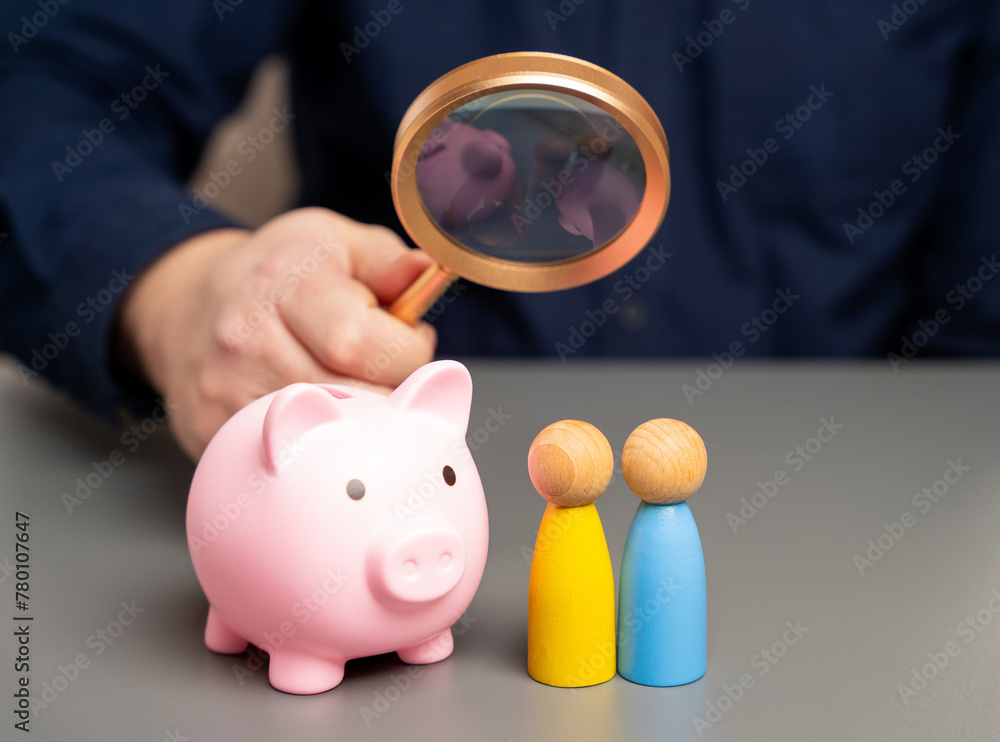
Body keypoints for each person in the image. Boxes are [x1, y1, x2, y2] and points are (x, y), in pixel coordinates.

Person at [1, 1, 997, 461]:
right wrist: (181, 293)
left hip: (844, 527)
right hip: (380, 477)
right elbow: (38, 91)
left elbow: (976, 335)